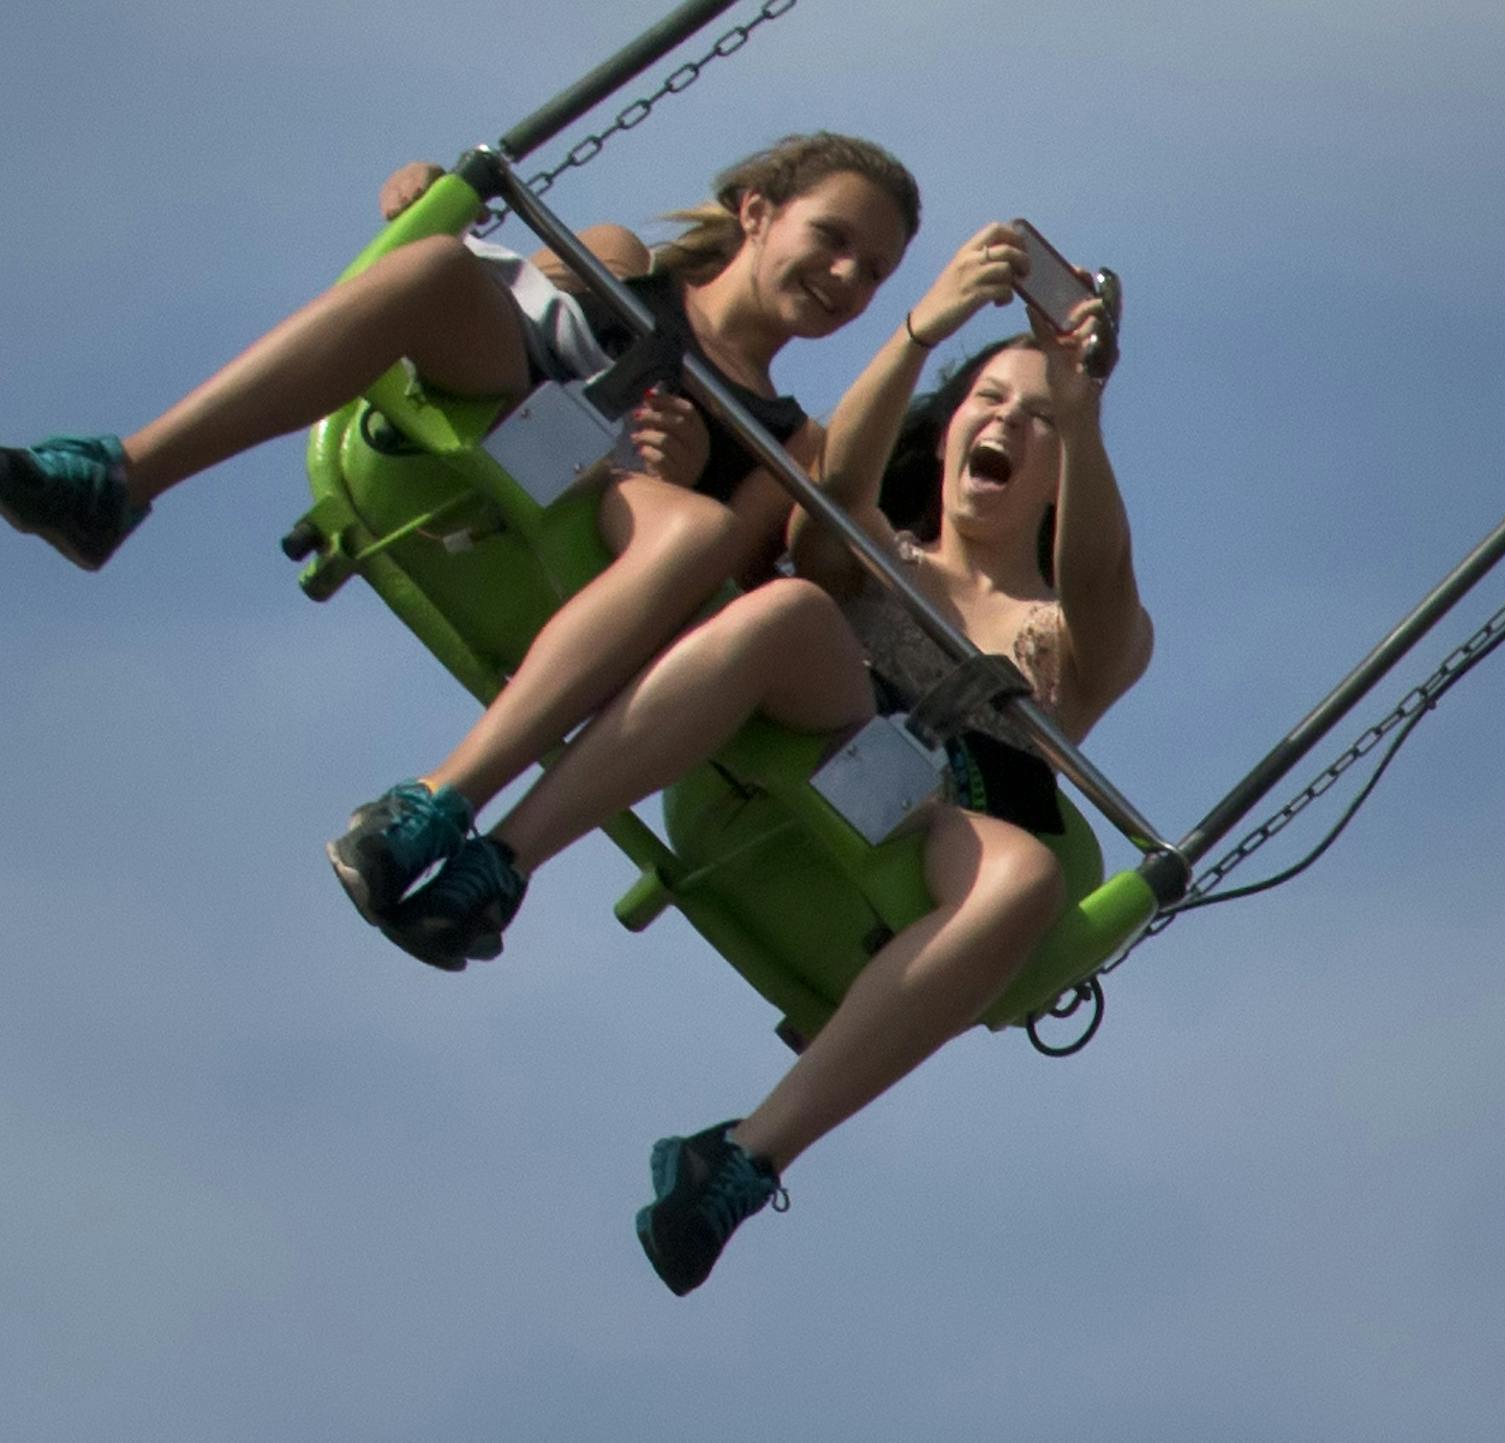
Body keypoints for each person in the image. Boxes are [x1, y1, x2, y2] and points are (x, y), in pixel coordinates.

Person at [373, 227, 1152, 1294]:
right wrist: (923, 330)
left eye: (1040, 421)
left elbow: (1102, 580)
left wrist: (1084, 403)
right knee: (791, 602)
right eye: (991, 401)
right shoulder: (885, 546)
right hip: (803, 739)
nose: (1009, 423)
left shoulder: (1067, 635)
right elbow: (828, 509)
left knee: (1028, 875)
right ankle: (495, 863)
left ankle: (741, 1160)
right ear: (953, 423)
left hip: (927, 825)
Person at [0, 132, 924, 937]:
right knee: (438, 269)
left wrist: (670, 474)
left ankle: (444, 801)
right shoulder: (613, 258)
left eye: (873, 270)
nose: (846, 275)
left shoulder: (792, 440)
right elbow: (504, 294)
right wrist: (431, 205)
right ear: (758, 212)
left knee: (696, 532)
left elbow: (728, 577)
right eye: (832, 238)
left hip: (617, 514)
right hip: (516, 409)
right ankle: (121, 477)